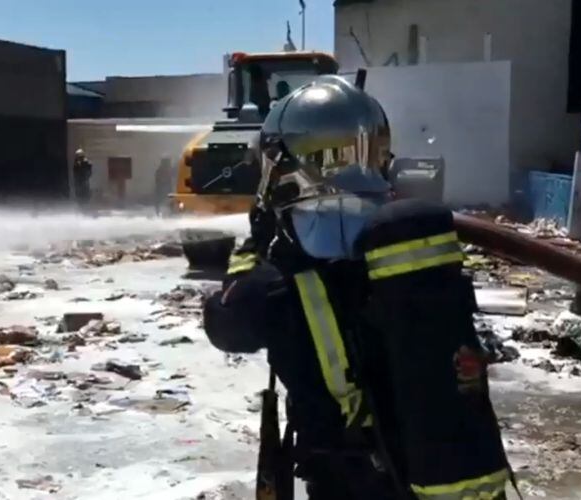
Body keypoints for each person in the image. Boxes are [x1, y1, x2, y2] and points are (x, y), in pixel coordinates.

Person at [202, 75, 512, 499]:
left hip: (345, 479)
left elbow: (226, 323)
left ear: (282, 165)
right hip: (425, 473)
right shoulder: (410, 253)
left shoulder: (280, 285)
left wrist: (255, 243)